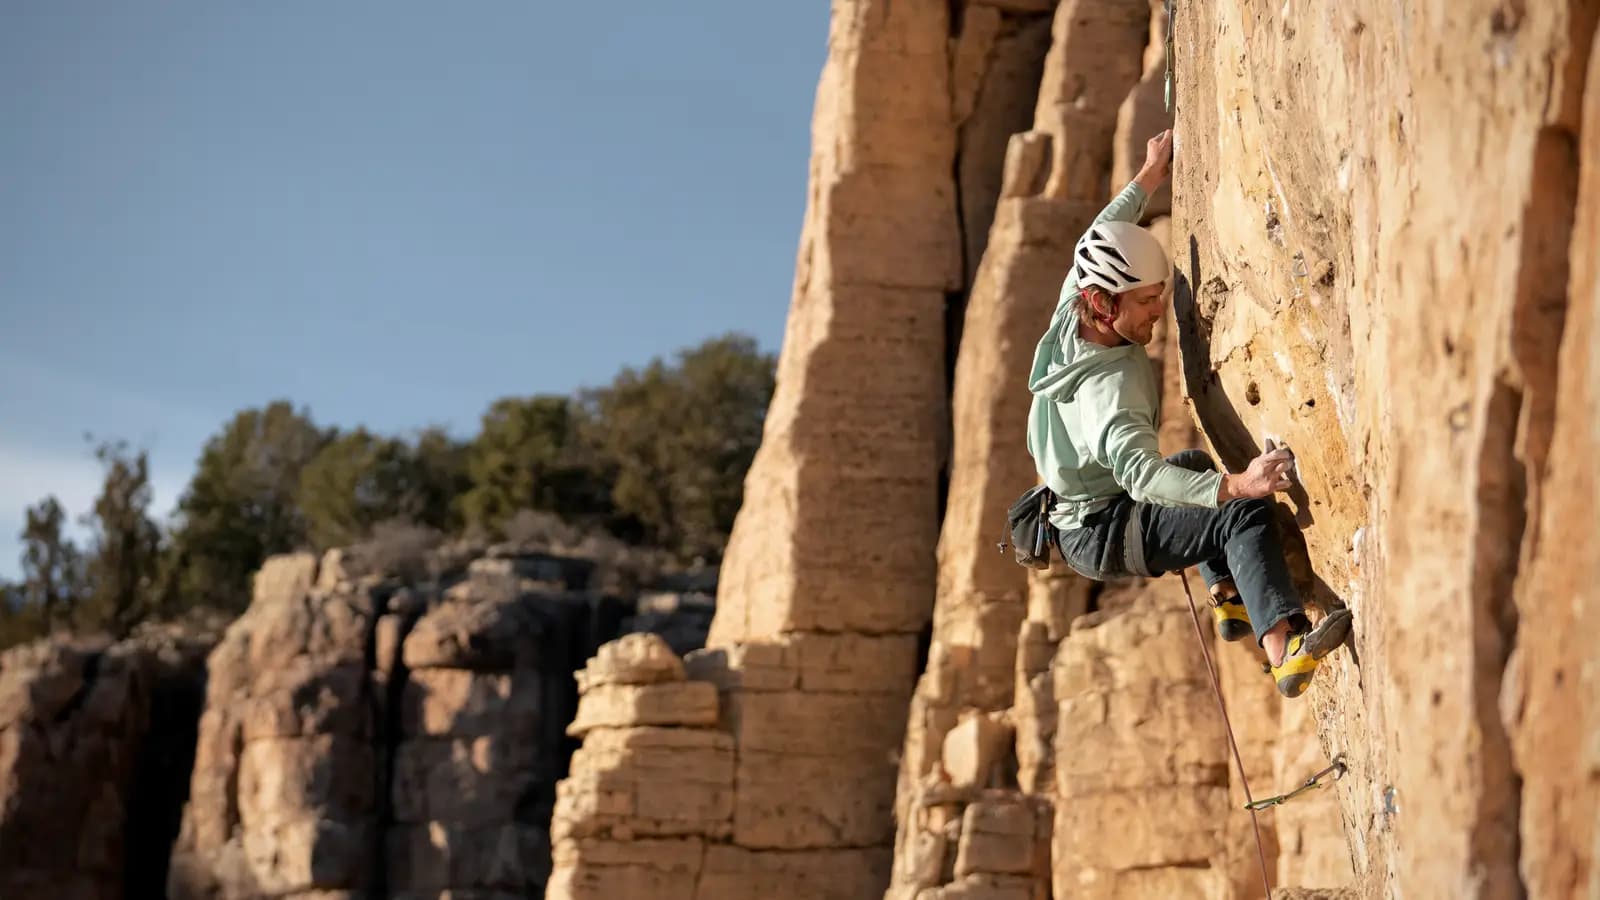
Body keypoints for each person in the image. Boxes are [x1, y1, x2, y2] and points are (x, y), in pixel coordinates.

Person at [1024, 129, 1350, 698]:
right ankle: (1286, 648)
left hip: (1081, 513)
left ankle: (1229, 598)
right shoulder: (1113, 388)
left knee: (1197, 464)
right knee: (1238, 510)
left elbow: (1095, 236)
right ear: (1104, 304)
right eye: (1147, 302)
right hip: (1104, 532)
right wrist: (1241, 483)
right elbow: (1143, 476)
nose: (1158, 312)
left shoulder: (1074, 302)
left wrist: (1150, 174)